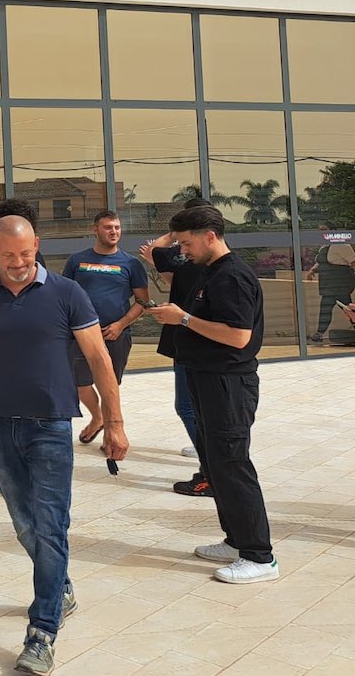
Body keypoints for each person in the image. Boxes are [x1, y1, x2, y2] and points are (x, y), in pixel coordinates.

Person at [0, 215, 128, 675]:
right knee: (25, 525)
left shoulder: (67, 293)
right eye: (8, 255)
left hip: (51, 426)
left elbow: (99, 358)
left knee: (49, 527)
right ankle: (60, 587)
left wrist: (114, 422)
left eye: (26, 253)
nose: (18, 263)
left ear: (37, 246)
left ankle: (42, 632)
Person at [145, 205, 277, 585]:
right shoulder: (209, 271)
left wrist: (183, 319)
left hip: (228, 384)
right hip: (206, 379)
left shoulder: (232, 276)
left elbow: (238, 336)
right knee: (216, 465)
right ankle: (236, 541)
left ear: (210, 236)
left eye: (187, 243)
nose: (183, 250)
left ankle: (260, 556)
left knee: (232, 465)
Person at [140, 197, 215, 487]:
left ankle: (210, 468)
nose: (183, 248)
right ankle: (211, 464)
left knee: (187, 406)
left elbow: (155, 250)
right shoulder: (210, 263)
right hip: (197, 344)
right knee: (201, 408)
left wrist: (174, 233)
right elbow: (169, 271)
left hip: (191, 344)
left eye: (185, 241)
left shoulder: (191, 259)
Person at [62, 211, 151, 445]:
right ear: (96, 230)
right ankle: (98, 417)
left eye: (117, 227)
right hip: (81, 335)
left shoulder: (131, 263)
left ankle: (111, 433)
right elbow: (64, 296)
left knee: (110, 386)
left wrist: (120, 325)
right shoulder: (77, 260)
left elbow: (143, 302)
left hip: (116, 335)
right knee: (80, 384)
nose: (113, 232)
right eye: (108, 227)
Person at [305, 241, 355, 344]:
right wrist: (312, 270)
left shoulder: (342, 245)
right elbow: (321, 263)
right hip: (328, 284)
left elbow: (353, 261)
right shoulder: (325, 247)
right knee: (326, 309)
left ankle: (319, 334)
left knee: (347, 308)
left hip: (341, 283)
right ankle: (319, 334)